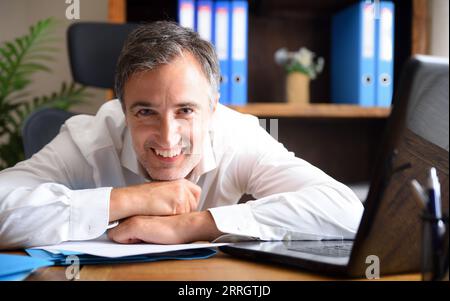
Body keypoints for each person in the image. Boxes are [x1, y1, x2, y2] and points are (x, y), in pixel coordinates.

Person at [0, 21, 363, 249]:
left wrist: (193, 225)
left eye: (185, 111)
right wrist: (127, 201)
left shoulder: (238, 137)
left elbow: (346, 212)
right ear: (122, 109)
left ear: (214, 106)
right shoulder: (89, 139)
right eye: (145, 112)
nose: (168, 137)